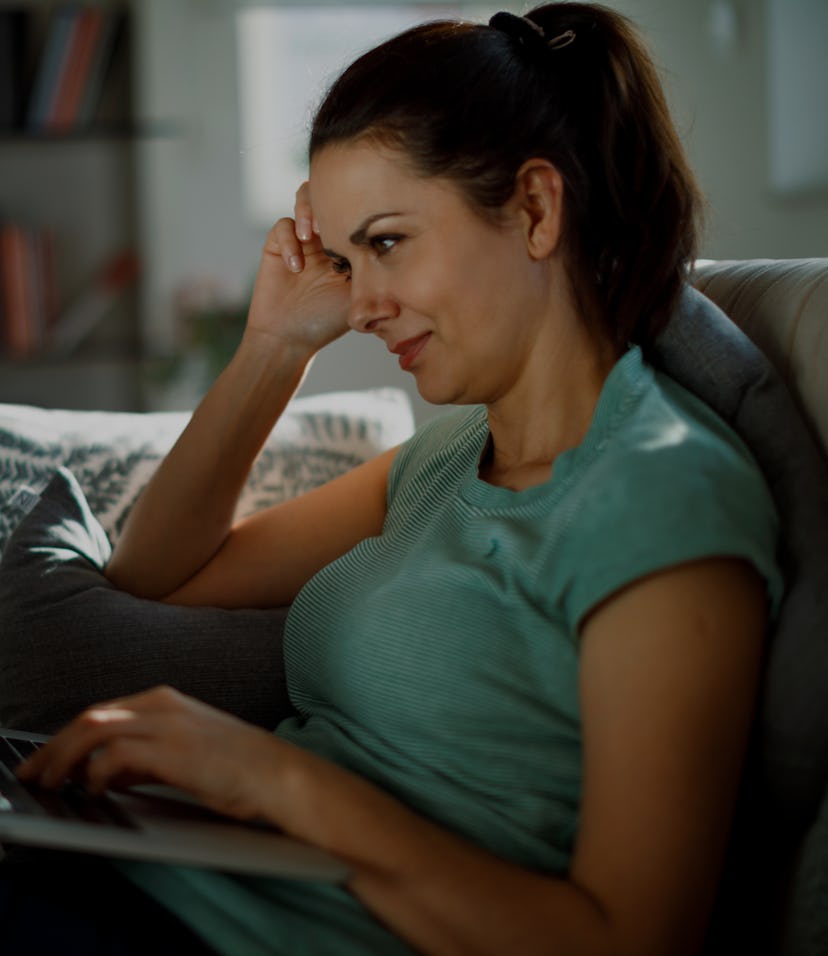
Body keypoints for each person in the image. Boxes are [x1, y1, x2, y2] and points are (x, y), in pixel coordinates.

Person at [5, 4, 781, 955]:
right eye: (342, 255)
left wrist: (274, 778)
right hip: (154, 889)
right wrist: (273, 347)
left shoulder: (662, 502)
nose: (361, 305)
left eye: (386, 243)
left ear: (536, 210)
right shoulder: (450, 458)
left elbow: (626, 938)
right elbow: (155, 575)